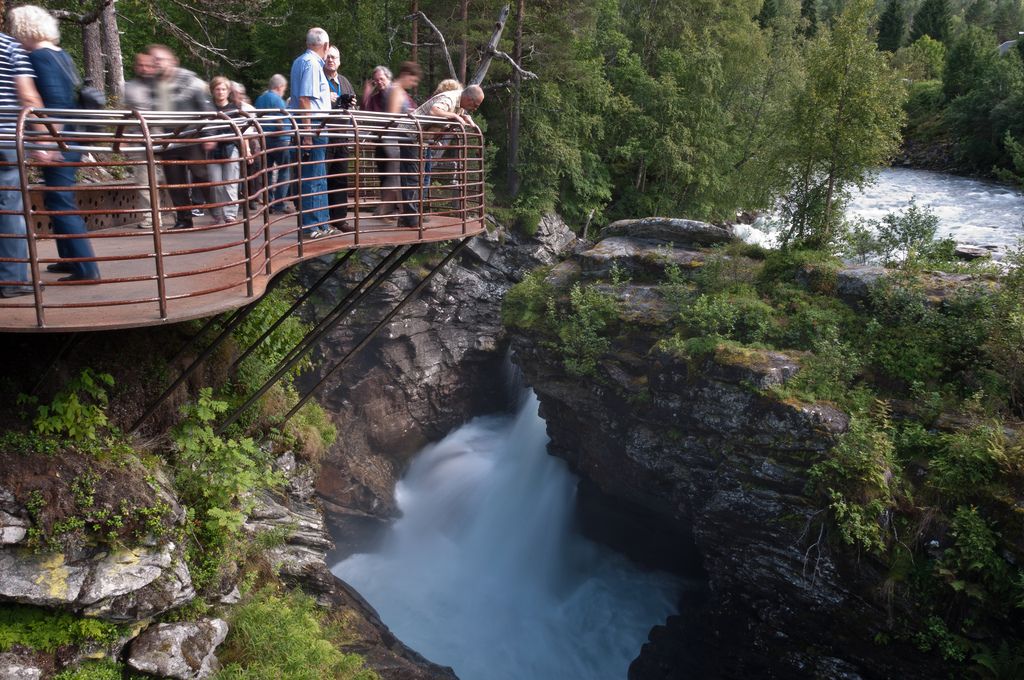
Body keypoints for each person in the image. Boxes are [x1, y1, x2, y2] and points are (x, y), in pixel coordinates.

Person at [8, 5, 99, 282]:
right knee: (56, 197)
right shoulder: (60, 54)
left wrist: (48, 144)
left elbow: (53, 104)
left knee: (60, 200)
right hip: (70, 135)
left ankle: (86, 268)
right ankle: (69, 258)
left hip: (59, 138)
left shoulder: (40, 57)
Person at [146, 44, 217, 230]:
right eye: (154, 60)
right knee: (175, 181)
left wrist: (208, 135)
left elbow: (207, 109)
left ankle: (216, 210)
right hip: (168, 139)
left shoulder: (190, 81)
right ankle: (184, 219)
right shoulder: (151, 85)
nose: (156, 63)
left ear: (172, 61)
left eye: (159, 59)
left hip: (191, 136)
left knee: (201, 175)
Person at [0, 20, 46, 297]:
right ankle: (12, 279)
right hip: (5, 138)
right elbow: (28, 96)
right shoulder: (9, 46)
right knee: (9, 208)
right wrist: (44, 138)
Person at [289, 27, 334, 239]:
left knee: (319, 176)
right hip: (313, 126)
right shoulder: (312, 64)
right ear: (325, 45)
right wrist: (307, 133)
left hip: (314, 126)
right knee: (313, 176)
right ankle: (312, 227)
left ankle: (322, 224)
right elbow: (305, 99)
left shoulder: (302, 61)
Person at [123, 52, 165, 229]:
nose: (144, 69)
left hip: (164, 140)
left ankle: (181, 214)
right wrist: (123, 137)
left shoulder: (163, 86)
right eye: (140, 65)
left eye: (148, 65)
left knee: (168, 179)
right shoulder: (130, 88)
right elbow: (126, 113)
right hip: (139, 140)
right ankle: (151, 218)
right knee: (144, 181)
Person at [383, 61, 421, 224]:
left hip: (401, 138)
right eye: (413, 80)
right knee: (397, 177)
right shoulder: (395, 90)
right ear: (406, 74)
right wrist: (408, 115)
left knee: (397, 176)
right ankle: (395, 213)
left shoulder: (400, 91)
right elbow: (392, 117)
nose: (413, 84)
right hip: (395, 139)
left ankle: (395, 212)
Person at [323, 46, 356, 231]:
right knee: (323, 178)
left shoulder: (344, 81)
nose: (331, 60)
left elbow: (351, 105)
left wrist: (351, 103)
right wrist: (326, 98)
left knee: (340, 178)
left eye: (334, 57)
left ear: (339, 61)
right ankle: (322, 219)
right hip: (325, 135)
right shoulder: (319, 79)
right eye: (328, 57)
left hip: (342, 136)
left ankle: (339, 219)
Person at [253, 74, 295, 214]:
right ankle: (279, 204)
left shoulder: (260, 99)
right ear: (280, 87)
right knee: (284, 171)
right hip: (280, 140)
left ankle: (269, 203)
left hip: (265, 140)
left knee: (268, 172)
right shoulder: (278, 100)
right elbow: (281, 121)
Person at [207, 76, 243, 224]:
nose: (220, 92)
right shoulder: (208, 108)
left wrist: (246, 149)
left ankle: (230, 214)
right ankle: (217, 212)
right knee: (215, 183)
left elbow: (241, 130)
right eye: (217, 89)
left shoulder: (235, 109)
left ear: (228, 91)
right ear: (212, 91)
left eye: (223, 89)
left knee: (231, 182)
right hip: (213, 149)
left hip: (230, 147)